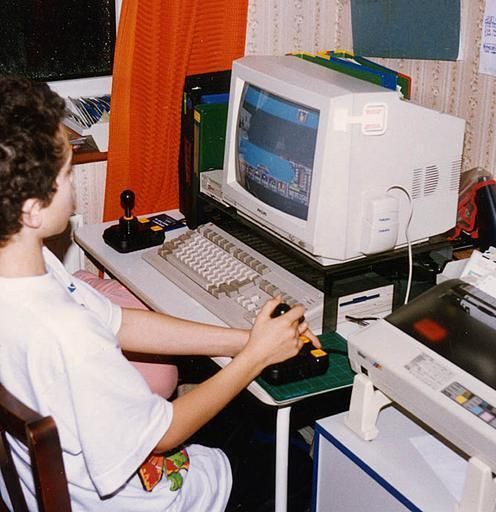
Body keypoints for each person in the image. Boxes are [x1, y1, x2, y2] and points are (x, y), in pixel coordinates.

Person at [0, 76, 319, 511]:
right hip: (141, 503)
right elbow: (165, 432)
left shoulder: (29, 271)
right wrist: (255, 359)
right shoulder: (67, 336)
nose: (73, 188)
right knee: (300, 469)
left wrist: (246, 341)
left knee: (238, 410)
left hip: (63, 487)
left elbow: (120, 322)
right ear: (32, 209)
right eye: (67, 174)